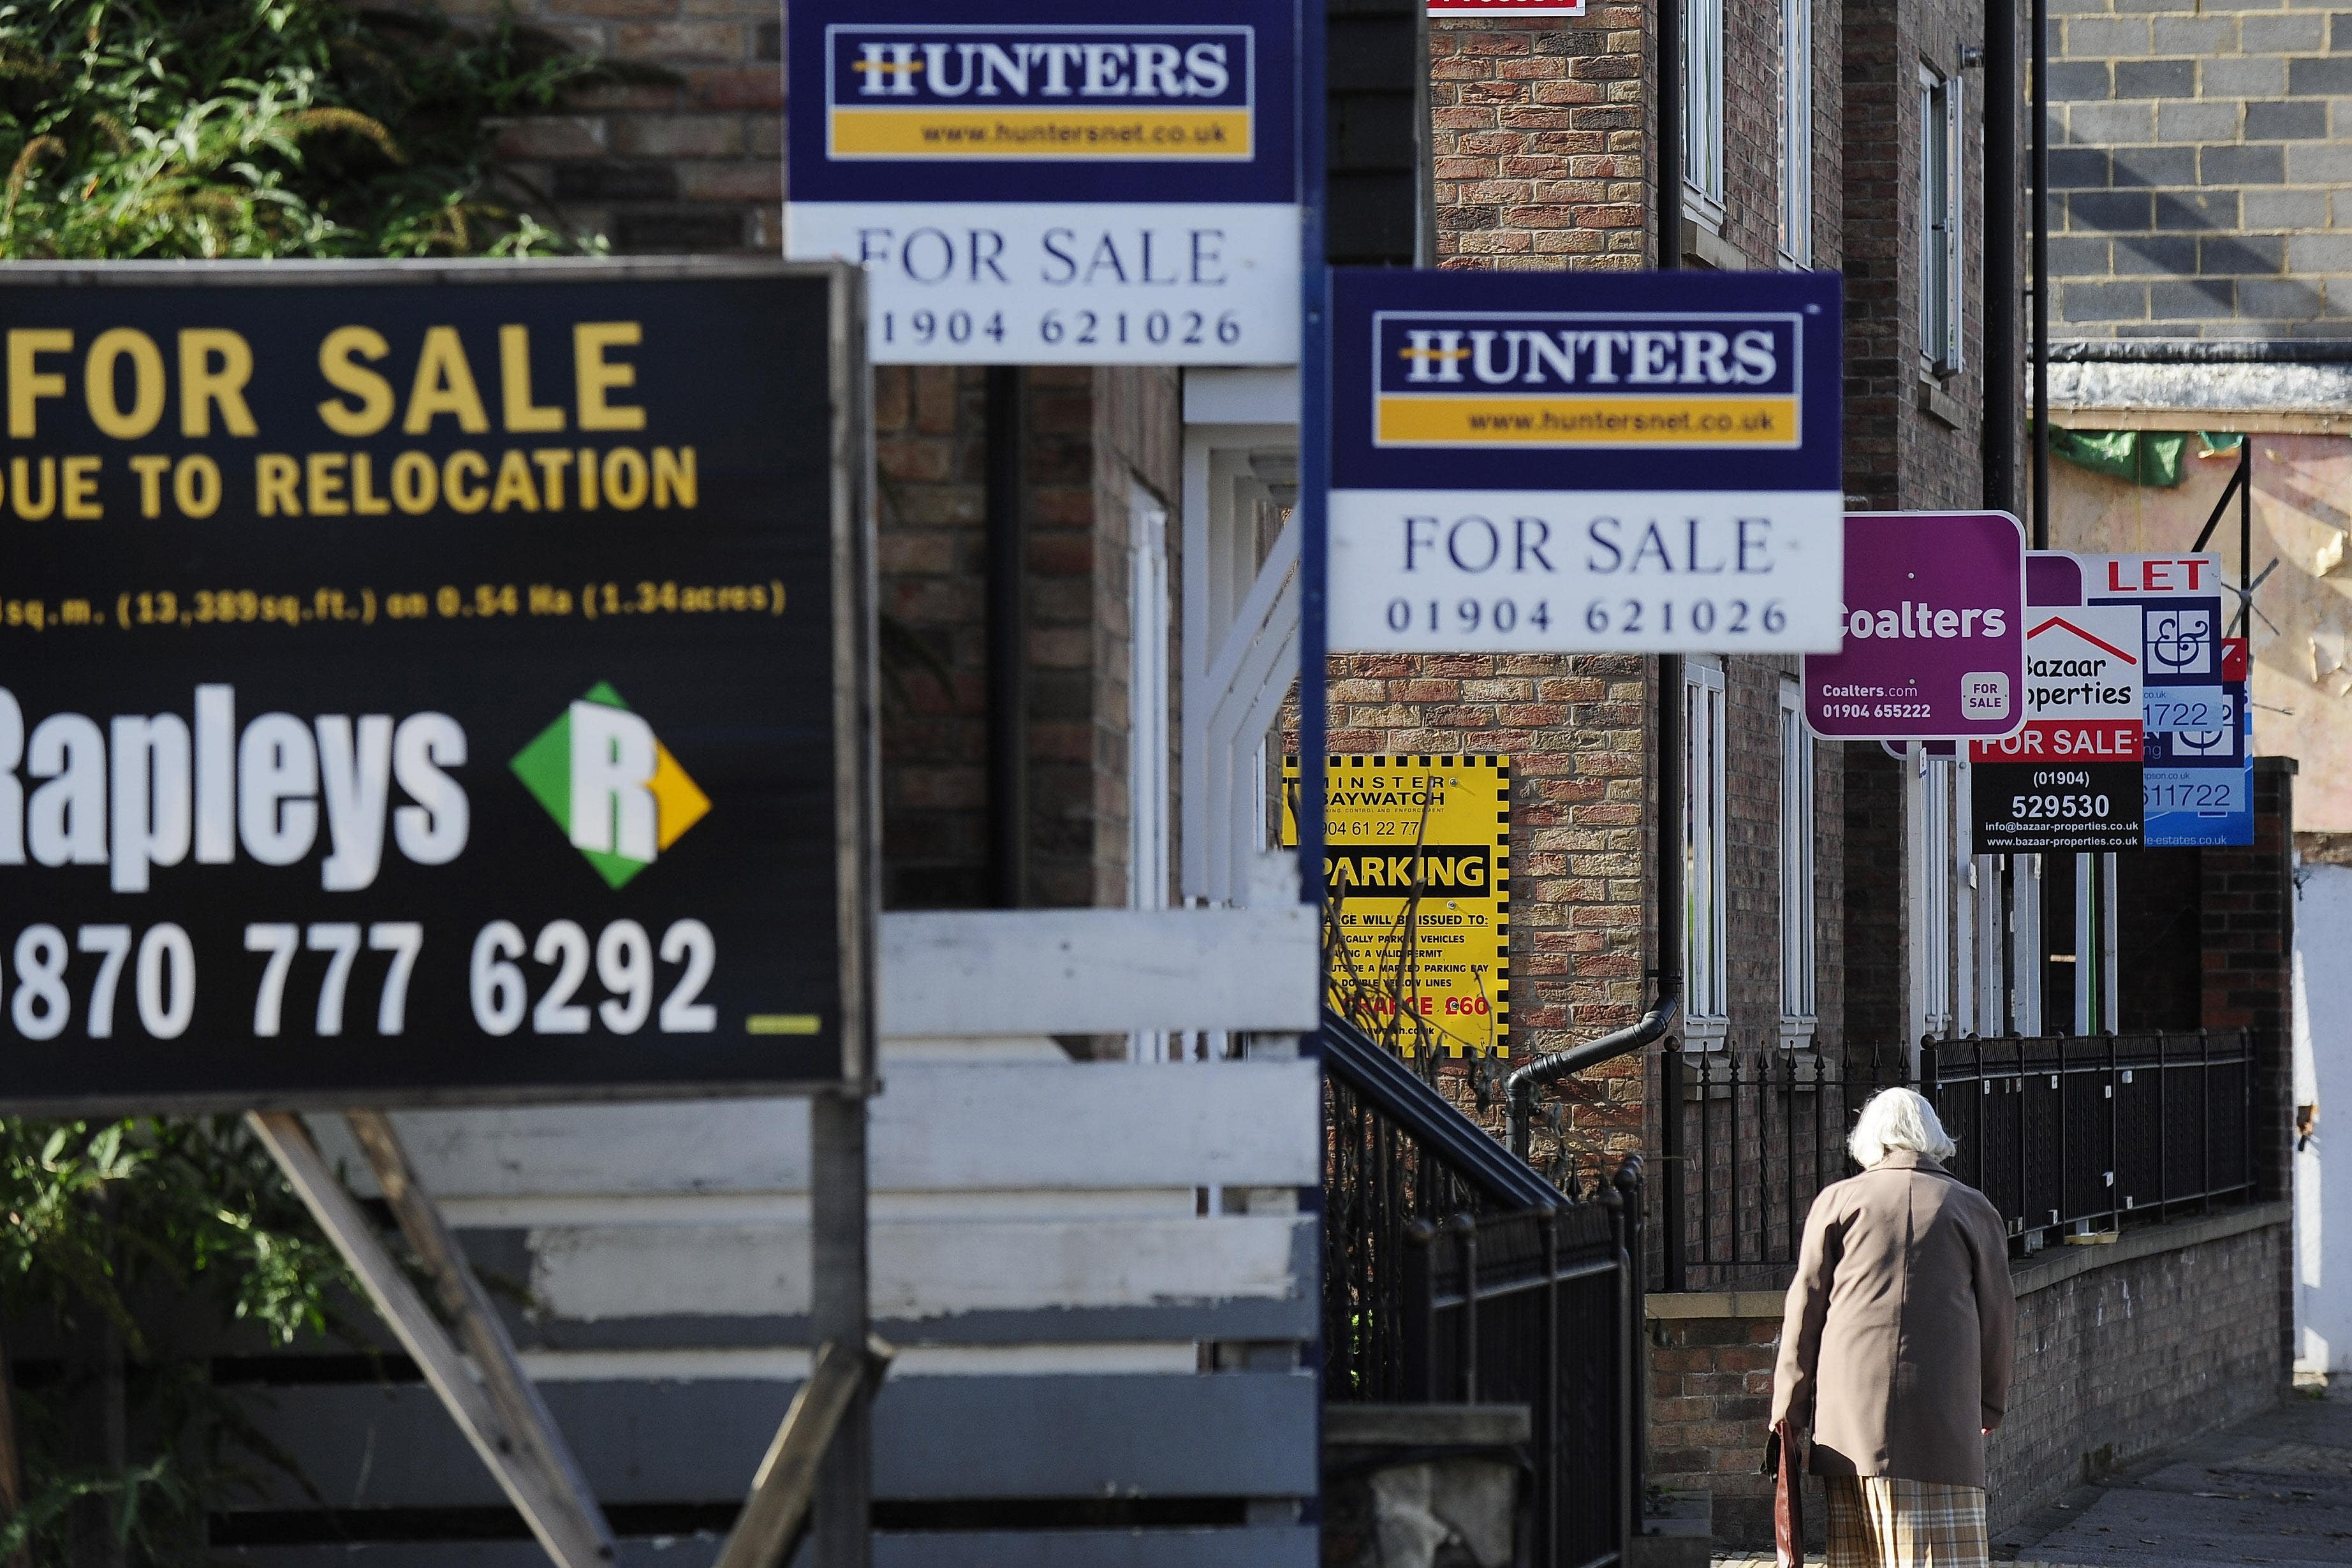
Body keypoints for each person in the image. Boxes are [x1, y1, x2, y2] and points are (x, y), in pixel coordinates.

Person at [1769, 1087, 2017, 1568]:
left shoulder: (1838, 1202)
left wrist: (1789, 1412)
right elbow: (1998, 1316)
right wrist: (1990, 1402)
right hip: (1941, 1407)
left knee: (1858, 1554)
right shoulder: (1972, 1207)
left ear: (1870, 1139)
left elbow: (1804, 1314)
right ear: (1932, 1137)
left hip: (1850, 1414)